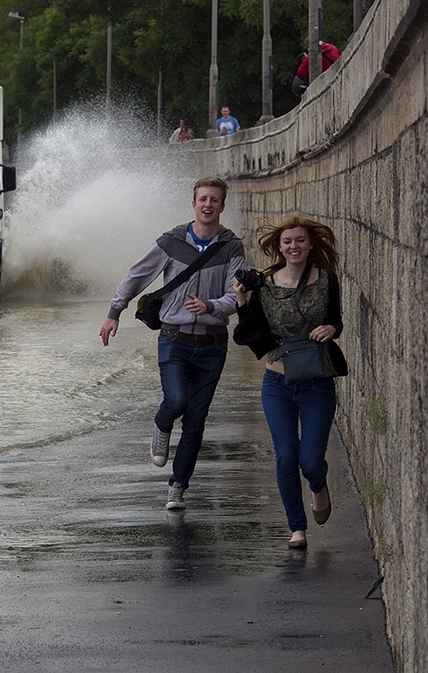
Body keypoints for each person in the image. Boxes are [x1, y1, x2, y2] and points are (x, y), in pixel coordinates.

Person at [99, 176, 247, 511]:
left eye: (214, 200)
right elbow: (138, 275)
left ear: (222, 206)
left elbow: (234, 296)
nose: (208, 205)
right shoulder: (172, 240)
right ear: (193, 204)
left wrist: (210, 306)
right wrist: (114, 312)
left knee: (196, 419)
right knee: (177, 401)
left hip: (213, 343)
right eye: (203, 199)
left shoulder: (232, 246)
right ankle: (162, 424)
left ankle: (177, 487)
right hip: (174, 338)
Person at [232, 214, 346, 550]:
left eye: (299, 240)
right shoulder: (265, 283)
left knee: (310, 461)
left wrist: (332, 330)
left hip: (317, 383)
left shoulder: (326, 279)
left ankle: (318, 484)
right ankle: (297, 528)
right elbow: (249, 334)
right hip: (277, 384)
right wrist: (241, 300)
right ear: (279, 247)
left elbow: (336, 319)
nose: (293, 246)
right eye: (287, 242)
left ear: (310, 244)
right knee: (285, 457)